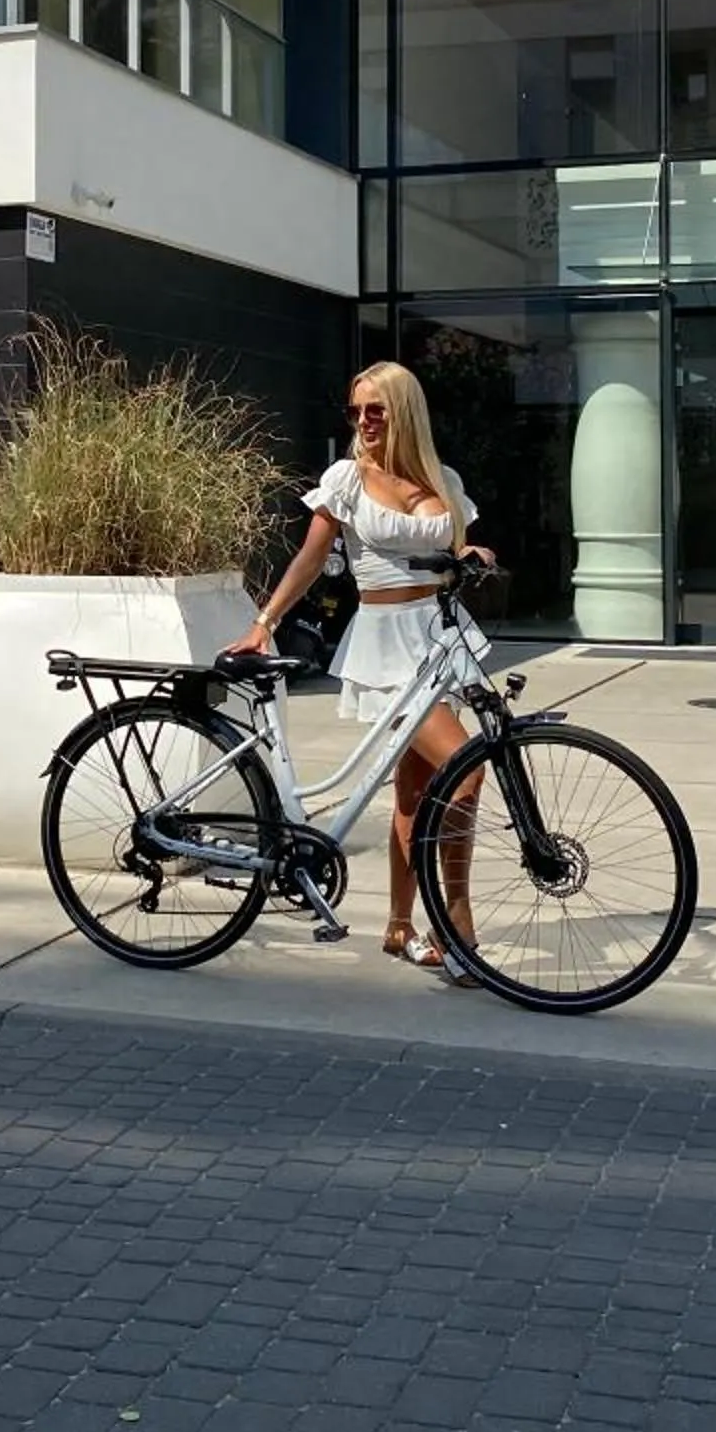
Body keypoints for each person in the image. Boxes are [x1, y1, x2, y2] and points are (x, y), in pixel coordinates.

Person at [232, 362, 495, 981]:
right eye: (355, 411)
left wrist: (472, 553)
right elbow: (310, 557)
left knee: (415, 791)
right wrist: (264, 622)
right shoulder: (347, 479)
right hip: (385, 647)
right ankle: (456, 922)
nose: (364, 422)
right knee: (467, 770)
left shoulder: (443, 479)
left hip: (438, 638)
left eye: (376, 409)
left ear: (404, 411)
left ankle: (400, 925)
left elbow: (450, 549)